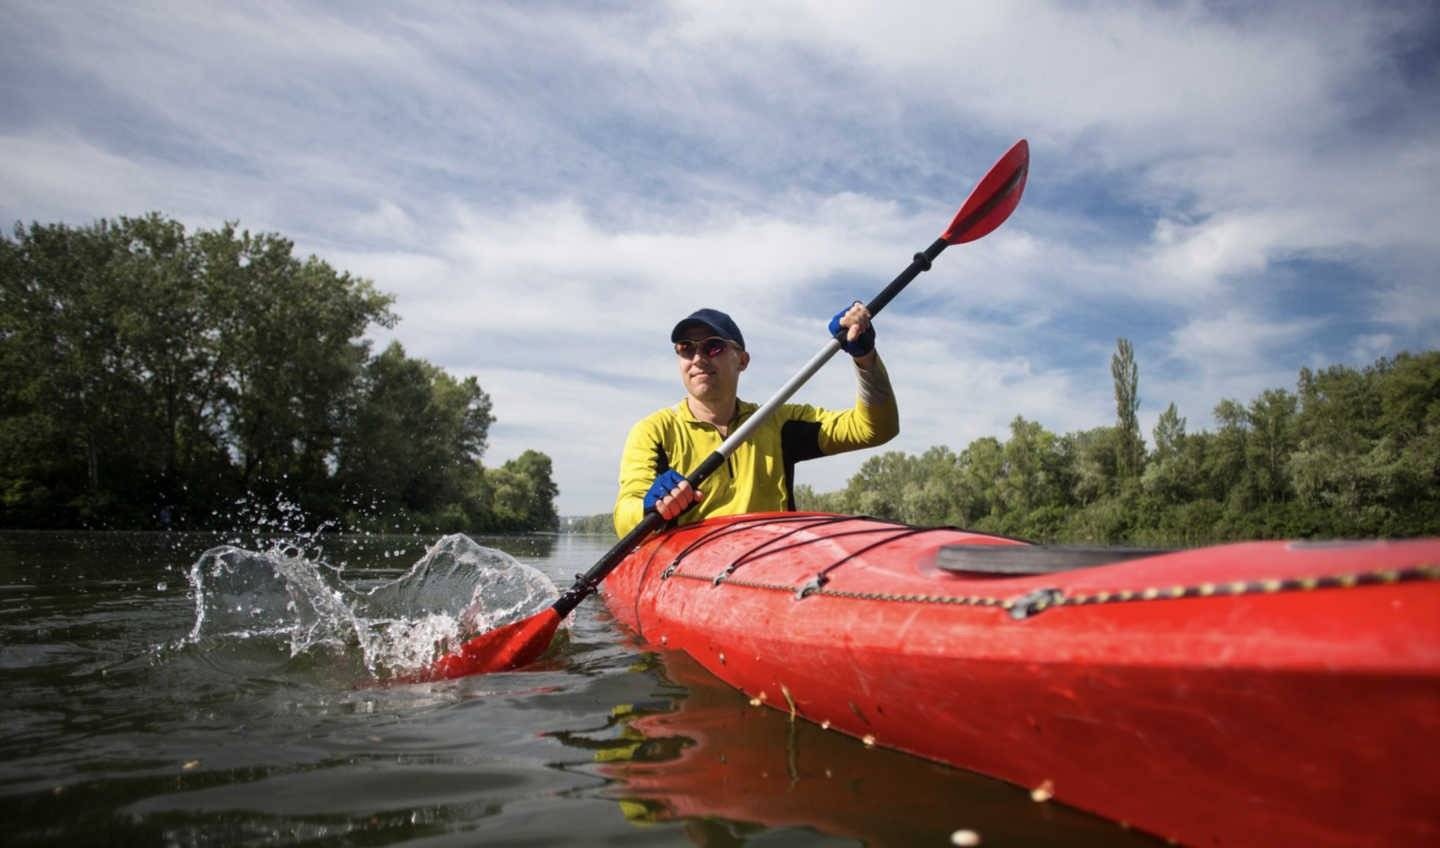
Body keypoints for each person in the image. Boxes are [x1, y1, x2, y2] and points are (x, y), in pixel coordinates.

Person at [613, 303, 899, 537]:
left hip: (769, 559)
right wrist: (649, 508)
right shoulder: (653, 431)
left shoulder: (777, 421)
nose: (698, 357)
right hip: (687, 571)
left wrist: (865, 359)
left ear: (742, 360)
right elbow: (625, 518)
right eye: (686, 348)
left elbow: (874, 429)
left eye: (712, 347)